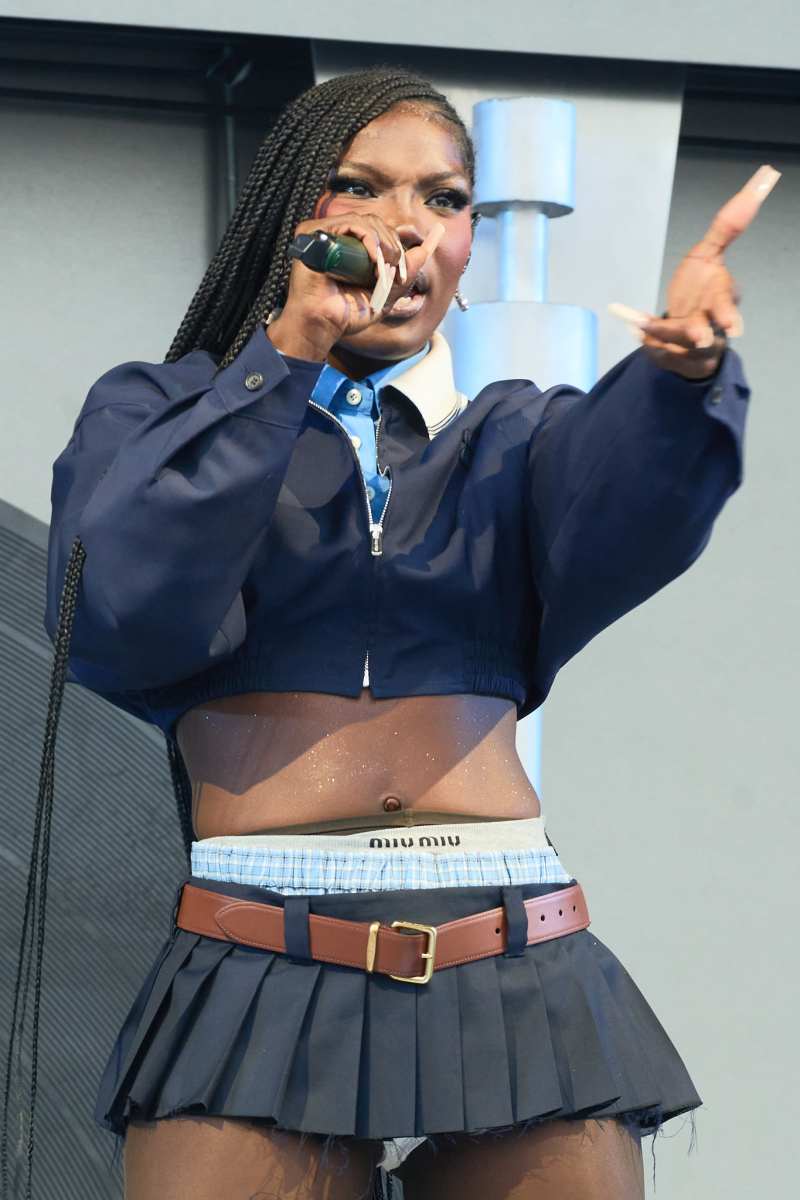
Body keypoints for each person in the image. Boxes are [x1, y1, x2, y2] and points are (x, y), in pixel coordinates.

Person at [3, 64, 775, 1200]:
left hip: (512, 945)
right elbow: (121, 607)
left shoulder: (514, 437)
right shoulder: (159, 412)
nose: (404, 224)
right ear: (292, 218)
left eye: (442, 198)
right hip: (259, 941)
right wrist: (288, 353)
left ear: (467, 245)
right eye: (358, 186)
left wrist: (682, 375)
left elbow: (635, 507)